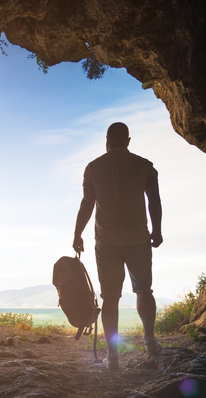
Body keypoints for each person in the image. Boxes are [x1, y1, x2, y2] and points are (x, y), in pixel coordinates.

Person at [72, 122, 163, 370]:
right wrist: (157, 230)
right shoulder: (144, 166)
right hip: (137, 238)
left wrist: (77, 233)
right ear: (128, 140)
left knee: (110, 298)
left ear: (107, 140)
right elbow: (154, 200)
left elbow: (87, 204)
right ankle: (150, 342)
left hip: (106, 241)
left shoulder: (93, 168)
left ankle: (112, 358)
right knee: (144, 290)